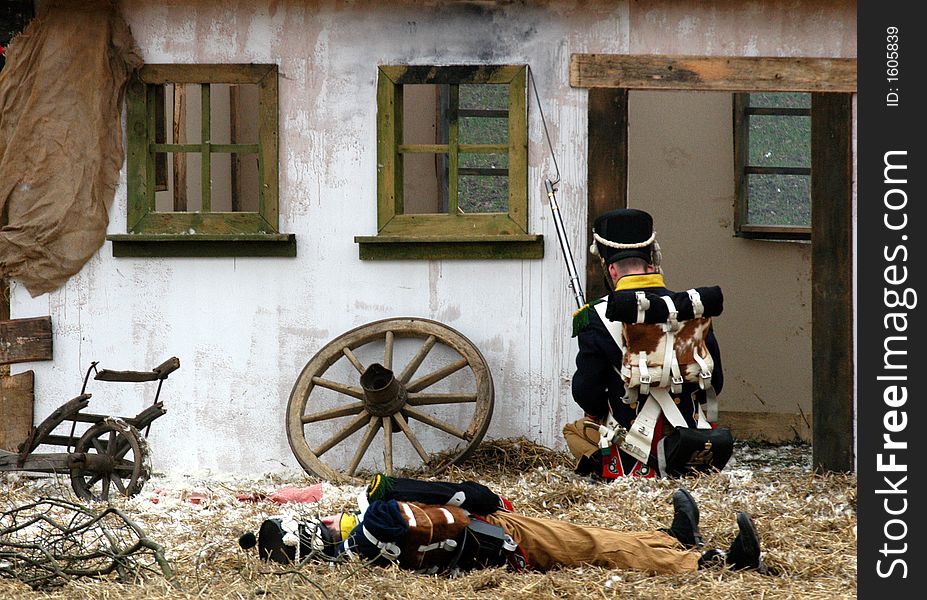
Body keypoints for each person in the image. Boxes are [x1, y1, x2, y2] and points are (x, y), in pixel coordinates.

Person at [238, 475, 765, 575]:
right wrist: (458, 492)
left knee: (589, 537)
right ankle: (710, 561)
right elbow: (389, 506)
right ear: (308, 539)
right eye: (307, 523)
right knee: (592, 549)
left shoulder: (355, 540)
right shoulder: (362, 540)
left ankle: (671, 541)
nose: (316, 518)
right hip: (499, 546)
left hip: (489, 528)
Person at [564, 208, 727, 477]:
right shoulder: (690, 308)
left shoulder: (595, 316)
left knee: (574, 433)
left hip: (632, 458)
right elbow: (715, 382)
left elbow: (587, 391)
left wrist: (596, 413)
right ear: (651, 265)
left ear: (612, 269)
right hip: (692, 449)